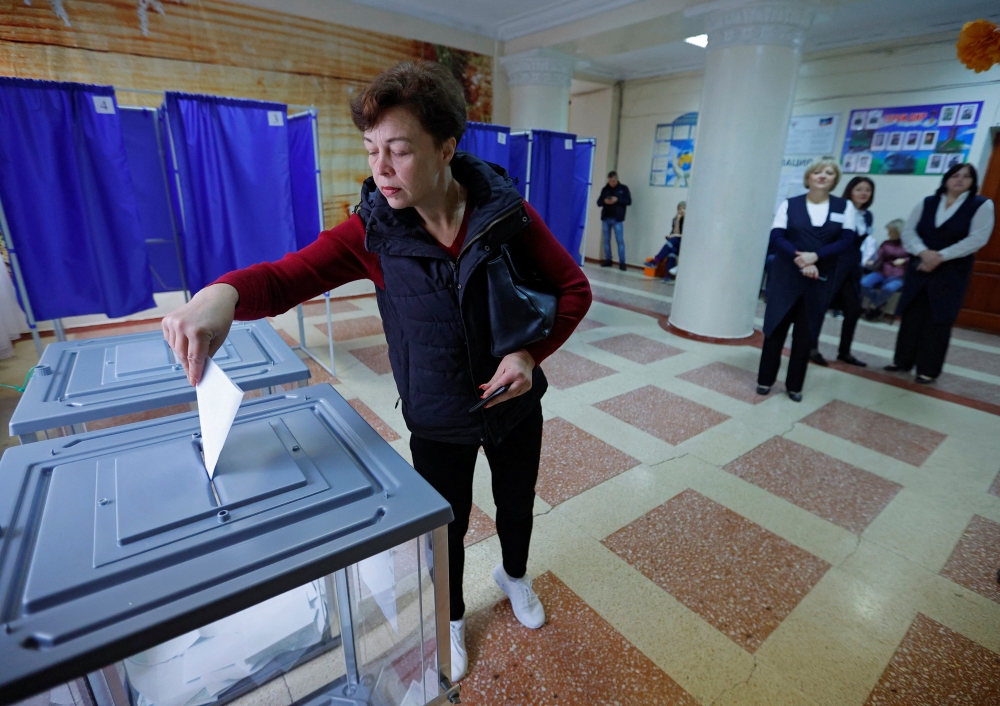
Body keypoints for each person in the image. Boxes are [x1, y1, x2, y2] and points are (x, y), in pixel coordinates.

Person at [160, 61, 593, 683]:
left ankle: (514, 575)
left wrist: (528, 355)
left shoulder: (505, 214)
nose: (381, 169)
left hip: (516, 405)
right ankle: (448, 615)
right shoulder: (374, 233)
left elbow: (572, 288)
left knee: (516, 503)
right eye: (371, 150)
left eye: (399, 150)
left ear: (447, 148)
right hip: (439, 414)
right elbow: (287, 277)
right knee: (446, 524)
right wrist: (221, 294)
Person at [757, 157, 857, 401]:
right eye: (817, 172)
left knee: (806, 334)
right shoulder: (789, 205)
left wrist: (816, 257)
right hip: (786, 276)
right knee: (775, 329)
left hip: (820, 279)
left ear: (835, 179)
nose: (822, 176)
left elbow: (846, 241)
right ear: (809, 177)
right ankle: (765, 380)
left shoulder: (845, 207)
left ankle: (794, 386)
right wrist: (800, 258)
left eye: (829, 173)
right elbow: (777, 236)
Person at [886, 163, 994, 383]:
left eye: (966, 177)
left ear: (973, 182)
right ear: (946, 178)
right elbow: (909, 233)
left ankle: (928, 369)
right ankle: (902, 361)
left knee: (938, 319)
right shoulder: (927, 202)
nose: (960, 180)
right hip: (920, 267)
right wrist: (924, 253)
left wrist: (940, 257)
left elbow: (977, 239)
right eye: (955, 175)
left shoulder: (981, 205)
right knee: (912, 316)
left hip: (952, 271)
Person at [809, 176, 873, 368]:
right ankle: (811, 348)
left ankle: (844, 352)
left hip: (853, 267)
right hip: (834, 265)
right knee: (820, 307)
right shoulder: (838, 208)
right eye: (859, 189)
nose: (863, 193)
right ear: (850, 190)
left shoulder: (867, 215)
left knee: (853, 310)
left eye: (867, 190)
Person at [861, 219, 909, 319]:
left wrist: (904, 260)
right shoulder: (886, 243)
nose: (888, 234)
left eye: (891, 231)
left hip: (898, 276)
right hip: (882, 272)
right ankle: (879, 303)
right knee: (863, 283)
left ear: (898, 232)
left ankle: (874, 306)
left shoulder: (908, 245)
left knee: (888, 289)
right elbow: (878, 255)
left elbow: (914, 258)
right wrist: (870, 261)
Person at [597, 171, 631, 270]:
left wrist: (617, 199)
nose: (611, 183)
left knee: (620, 241)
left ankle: (622, 262)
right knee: (606, 241)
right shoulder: (605, 189)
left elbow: (628, 201)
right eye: (610, 181)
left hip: (617, 219)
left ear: (617, 179)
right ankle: (608, 260)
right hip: (606, 218)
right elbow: (598, 202)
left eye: (613, 181)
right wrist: (604, 201)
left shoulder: (623, 189)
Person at [645, 201, 685, 280]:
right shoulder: (676, 219)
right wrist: (677, 220)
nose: (681, 211)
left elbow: (686, 236)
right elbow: (675, 232)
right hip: (676, 242)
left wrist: (675, 235)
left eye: (683, 209)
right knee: (672, 251)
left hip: (684, 243)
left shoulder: (689, 221)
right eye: (679, 209)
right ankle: (668, 275)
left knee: (672, 241)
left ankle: (656, 260)